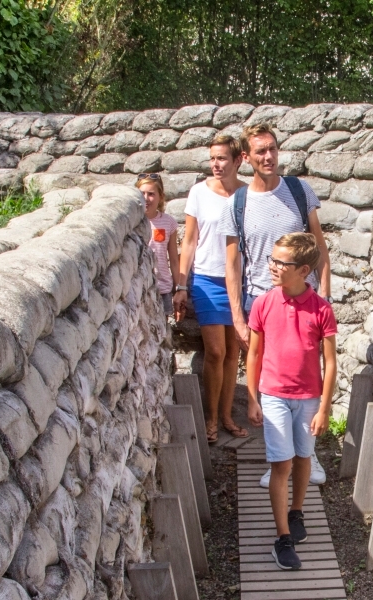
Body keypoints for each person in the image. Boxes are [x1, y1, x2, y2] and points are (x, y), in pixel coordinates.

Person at [218, 123, 332, 487]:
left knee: (306, 373)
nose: (268, 157)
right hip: (260, 302)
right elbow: (233, 264)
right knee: (269, 379)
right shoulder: (237, 204)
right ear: (246, 158)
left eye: (272, 149)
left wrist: (325, 296)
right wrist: (237, 315)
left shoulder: (299, 191)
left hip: (306, 300)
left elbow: (320, 249)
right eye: (260, 152)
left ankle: (308, 456)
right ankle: (278, 458)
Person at [244, 232, 337, 571]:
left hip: (309, 398)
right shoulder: (263, 303)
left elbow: (330, 363)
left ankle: (297, 511)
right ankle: (282, 537)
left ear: (303, 270)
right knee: (280, 464)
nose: (272, 266)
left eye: (280, 262)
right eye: (272, 259)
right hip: (274, 396)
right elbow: (253, 354)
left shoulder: (322, 309)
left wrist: (325, 408)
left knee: (303, 457)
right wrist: (252, 399)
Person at [174, 135, 247, 442]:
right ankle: (211, 417)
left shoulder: (248, 193)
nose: (216, 164)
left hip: (241, 280)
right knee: (215, 352)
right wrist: (181, 283)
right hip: (206, 279)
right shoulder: (199, 193)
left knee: (233, 352)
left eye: (222, 159)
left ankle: (228, 415)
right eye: (213, 158)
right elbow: (188, 241)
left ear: (238, 160)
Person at [138, 174, 179, 314]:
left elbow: (174, 259)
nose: (145, 198)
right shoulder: (131, 223)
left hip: (162, 287)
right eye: (142, 193)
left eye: (151, 194)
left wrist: (178, 288)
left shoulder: (168, 222)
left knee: (161, 331)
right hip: (139, 286)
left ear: (160, 197)